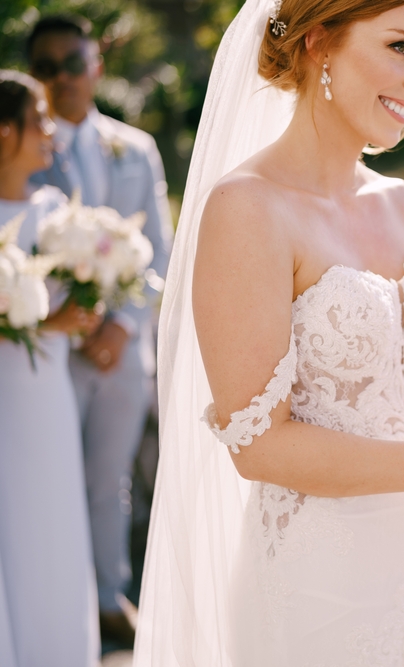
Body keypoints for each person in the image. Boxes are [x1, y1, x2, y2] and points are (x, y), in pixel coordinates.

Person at [134, 1, 404, 664]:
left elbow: (401, 393)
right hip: (318, 577)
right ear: (320, 43)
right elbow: (260, 446)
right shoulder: (246, 208)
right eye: (399, 47)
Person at [27, 13, 174, 645]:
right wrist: (67, 321)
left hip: (122, 349)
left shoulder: (134, 148)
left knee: (110, 477)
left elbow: (159, 252)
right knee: (49, 473)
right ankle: (55, 594)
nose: (64, 78)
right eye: (48, 67)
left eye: (74, 62)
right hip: (50, 344)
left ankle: (109, 593)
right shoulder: (21, 143)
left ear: (97, 66)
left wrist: (121, 326)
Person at [0, 69, 102, 667]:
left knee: (49, 517)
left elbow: (81, 296)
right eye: (37, 118)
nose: (49, 131)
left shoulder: (57, 212)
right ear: (3, 130)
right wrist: (45, 323)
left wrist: (91, 300)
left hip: (46, 398)